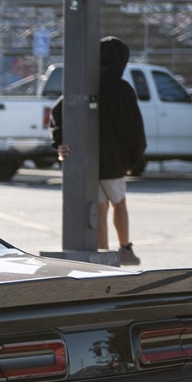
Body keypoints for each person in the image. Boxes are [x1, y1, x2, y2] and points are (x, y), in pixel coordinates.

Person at [50, 36, 148, 264]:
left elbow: (58, 113)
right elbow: (134, 127)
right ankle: (125, 248)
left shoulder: (83, 84)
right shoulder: (122, 89)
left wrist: (59, 143)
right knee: (119, 203)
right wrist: (135, 159)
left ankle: (102, 253)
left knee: (100, 207)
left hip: (85, 158)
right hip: (115, 159)